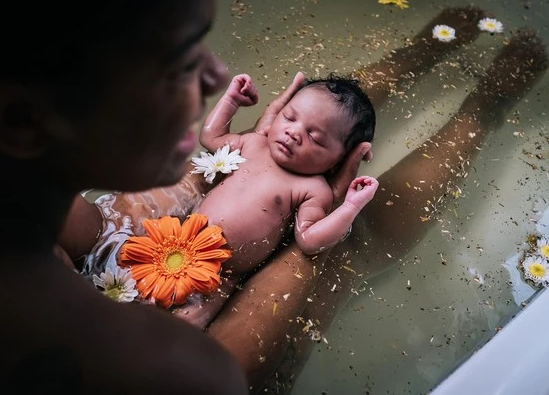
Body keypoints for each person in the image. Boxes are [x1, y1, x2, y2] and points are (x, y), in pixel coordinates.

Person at [59, 1, 549, 394]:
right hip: (194, 326)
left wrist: (251, 119)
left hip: (131, 256)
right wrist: (343, 206)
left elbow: (216, 139)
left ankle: (418, 59)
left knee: (269, 145)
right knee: (340, 247)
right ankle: (481, 110)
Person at [0, 0, 251, 393]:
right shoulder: (177, 373)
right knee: (293, 248)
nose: (217, 75)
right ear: (20, 119)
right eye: (183, 62)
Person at [121, 73, 378, 327]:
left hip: (226, 273)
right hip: (181, 240)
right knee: (133, 279)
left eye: (316, 138)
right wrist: (231, 101)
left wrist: (350, 206)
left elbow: (309, 240)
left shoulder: (312, 188)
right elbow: (211, 138)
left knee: (186, 322)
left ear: (338, 161)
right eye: (289, 117)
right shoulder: (254, 143)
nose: (293, 132)